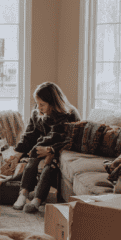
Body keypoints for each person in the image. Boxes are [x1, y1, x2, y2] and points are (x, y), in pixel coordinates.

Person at [12, 82, 80, 213]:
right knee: (33, 156)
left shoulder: (70, 114)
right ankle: (23, 193)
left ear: (53, 103)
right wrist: (17, 152)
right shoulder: (37, 113)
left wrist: (51, 150)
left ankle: (37, 200)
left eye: (42, 104)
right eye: (37, 103)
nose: (38, 107)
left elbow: (72, 139)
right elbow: (29, 135)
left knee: (50, 164)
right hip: (42, 146)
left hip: (59, 150)